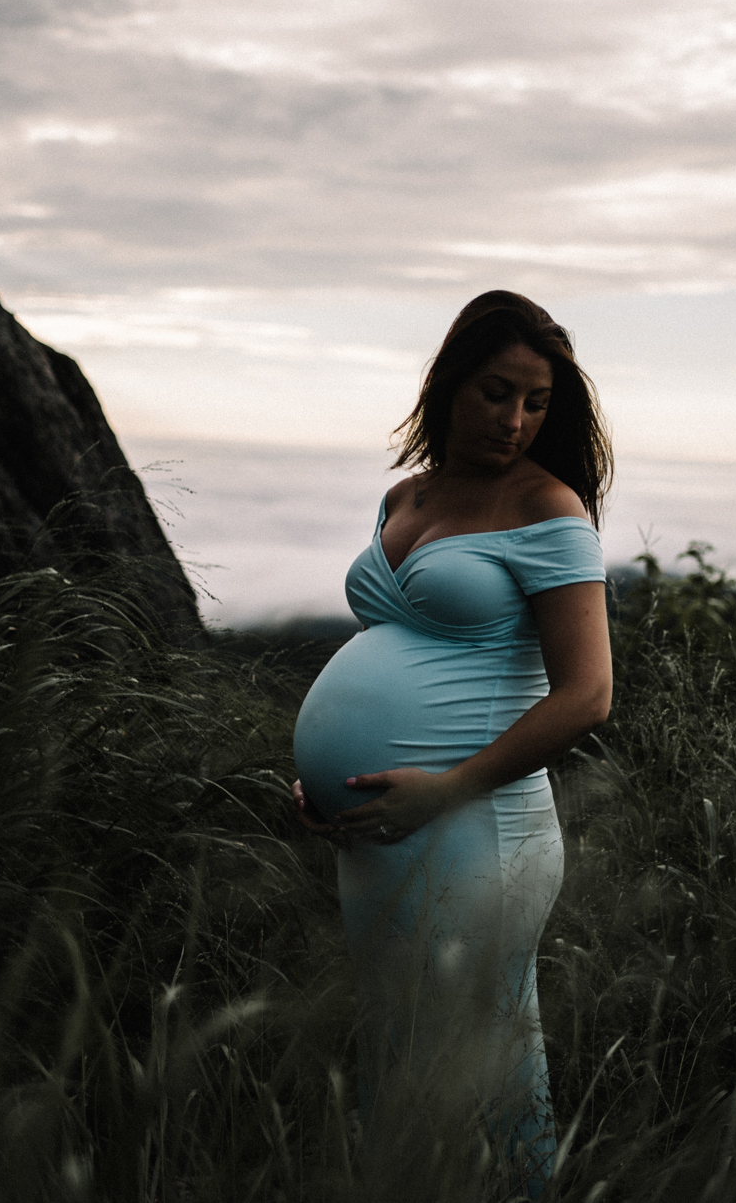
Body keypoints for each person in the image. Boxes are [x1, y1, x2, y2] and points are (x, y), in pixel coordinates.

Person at [290, 290, 613, 1197]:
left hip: (478, 825)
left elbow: (588, 695)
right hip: (383, 832)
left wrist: (448, 787)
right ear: (447, 385)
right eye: (495, 392)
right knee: (403, 1047)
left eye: (536, 401)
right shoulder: (408, 494)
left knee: (480, 1059)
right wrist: (324, 779)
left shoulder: (547, 508)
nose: (515, 420)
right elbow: (396, 645)